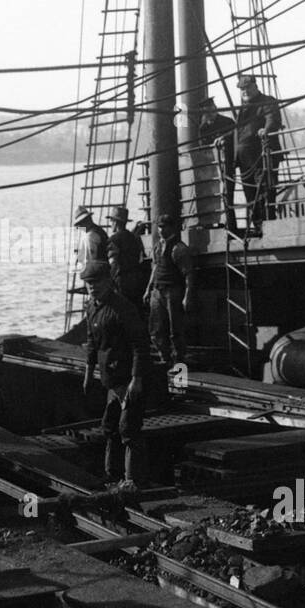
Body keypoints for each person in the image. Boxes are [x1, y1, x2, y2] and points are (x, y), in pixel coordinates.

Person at [81, 261, 149, 487]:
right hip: (110, 381)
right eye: (89, 283)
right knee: (109, 428)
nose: (92, 287)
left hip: (127, 380)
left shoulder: (123, 308)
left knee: (128, 430)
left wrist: (137, 379)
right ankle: (112, 475)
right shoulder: (92, 308)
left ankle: (132, 481)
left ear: (108, 281)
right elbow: (92, 342)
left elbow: (140, 345)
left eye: (96, 282)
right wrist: (89, 371)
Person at [234, 74, 284, 234]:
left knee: (263, 192)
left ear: (256, 86)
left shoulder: (267, 101)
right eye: (242, 89)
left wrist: (266, 130)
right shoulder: (243, 108)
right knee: (250, 195)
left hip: (262, 156)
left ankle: (267, 227)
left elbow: (273, 119)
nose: (245, 91)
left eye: (248, 87)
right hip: (245, 161)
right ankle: (257, 226)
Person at [144, 213, 195, 369]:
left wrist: (187, 296)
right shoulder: (158, 247)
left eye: (163, 227)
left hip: (173, 292)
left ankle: (179, 362)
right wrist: (148, 289)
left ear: (171, 227)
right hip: (157, 291)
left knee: (175, 330)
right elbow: (155, 268)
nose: (160, 230)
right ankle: (165, 358)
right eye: (159, 227)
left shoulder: (179, 249)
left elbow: (188, 274)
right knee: (155, 329)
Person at [198, 96, 239, 233]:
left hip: (226, 164)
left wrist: (223, 139)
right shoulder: (203, 128)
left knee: (227, 194)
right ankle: (216, 225)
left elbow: (235, 134)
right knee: (213, 197)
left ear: (215, 109)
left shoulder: (227, 122)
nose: (209, 114)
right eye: (206, 112)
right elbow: (203, 147)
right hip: (211, 168)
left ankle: (231, 226)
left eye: (211, 110)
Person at [105, 205, 147, 310]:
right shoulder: (134, 237)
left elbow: (113, 264)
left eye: (111, 221)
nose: (111, 224)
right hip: (137, 280)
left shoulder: (113, 240)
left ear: (116, 222)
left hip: (122, 282)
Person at [73, 206, 108, 270]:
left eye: (80, 224)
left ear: (86, 221)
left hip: (96, 274)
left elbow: (91, 259)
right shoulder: (99, 231)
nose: (79, 227)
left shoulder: (90, 236)